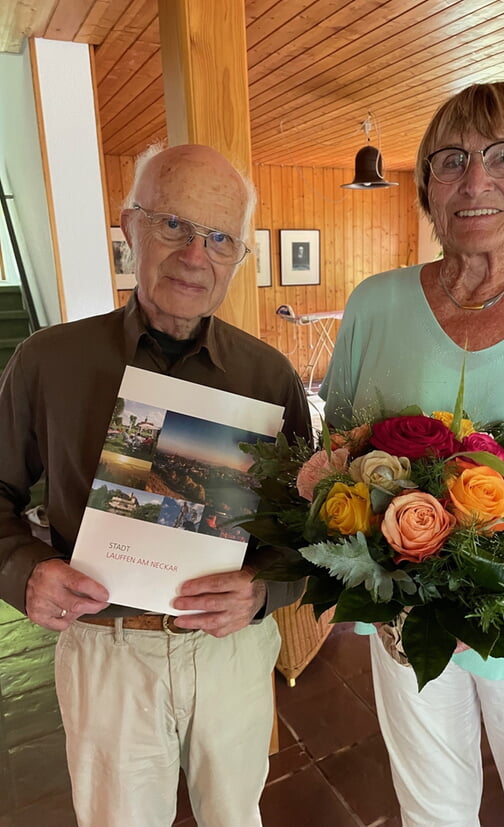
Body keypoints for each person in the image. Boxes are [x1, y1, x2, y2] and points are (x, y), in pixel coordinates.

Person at [320, 82, 504, 826]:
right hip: (409, 619)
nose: (475, 180)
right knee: (429, 806)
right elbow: (337, 448)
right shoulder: (375, 303)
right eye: (450, 159)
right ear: (425, 185)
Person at [0, 144, 311, 827]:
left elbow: (306, 535)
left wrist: (264, 590)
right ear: (130, 226)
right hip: (105, 650)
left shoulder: (270, 377)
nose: (195, 254)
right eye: (173, 224)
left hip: (230, 649)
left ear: (239, 257)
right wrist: (22, 571)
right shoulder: (47, 362)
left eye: (220, 237)